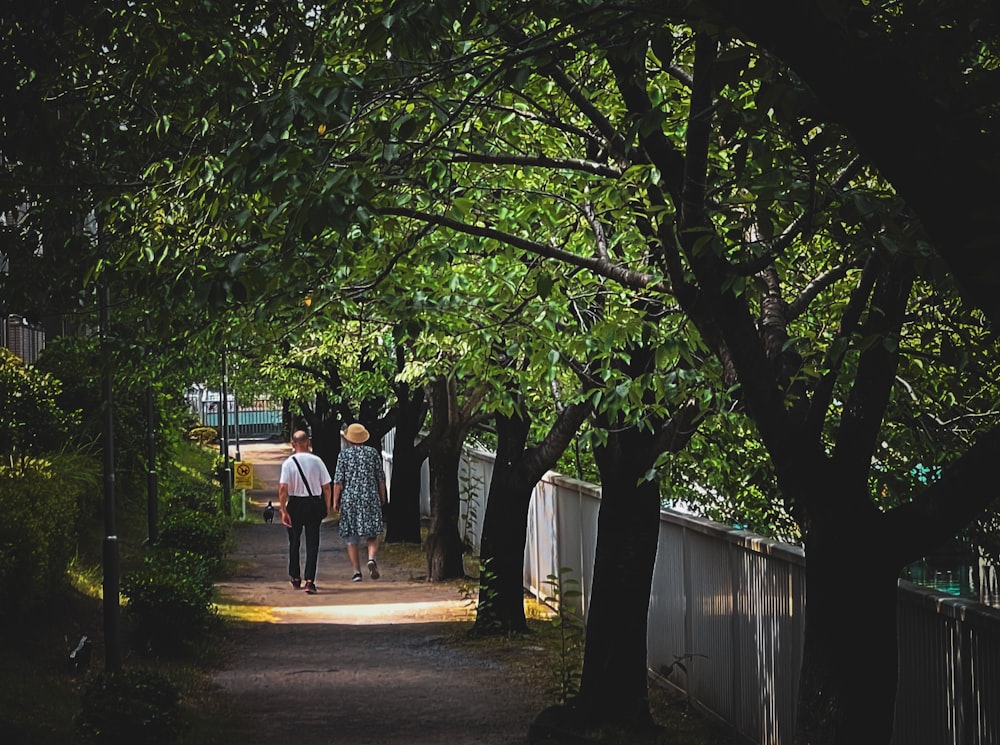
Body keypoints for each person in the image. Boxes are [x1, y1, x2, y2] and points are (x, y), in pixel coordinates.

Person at [278, 430, 332, 594]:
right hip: (314, 503)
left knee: (294, 542)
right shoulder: (317, 461)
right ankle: (310, 580)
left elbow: (282, 488)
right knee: (312, 542)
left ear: (293, 444)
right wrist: (326, 506)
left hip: (295, 503)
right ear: (308, 442)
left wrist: (283, 510)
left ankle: (295, 577)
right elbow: (326, 487)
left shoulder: (288, 463)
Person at [332, 422, 387, 581]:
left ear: (349, 439)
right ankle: (371, 558)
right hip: (370, 497)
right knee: (372, 533)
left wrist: (335, 501)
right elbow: (380, 478)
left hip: (350, 499)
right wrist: (382, 496)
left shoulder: (343, 455)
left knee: (351, 537)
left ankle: (356, 572)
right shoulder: (373, 453)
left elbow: (338, 481)